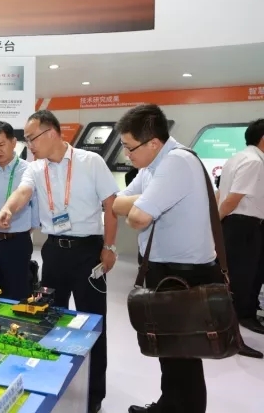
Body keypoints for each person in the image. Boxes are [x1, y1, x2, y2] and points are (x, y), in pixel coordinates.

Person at [0, 110, 118, 413]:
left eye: (31, 138)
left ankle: (94, 394)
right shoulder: (36, 168)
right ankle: (54, 381)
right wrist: (8, 208)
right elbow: (22, 192)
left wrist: (110, 246)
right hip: (54, 252)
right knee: (49, 318)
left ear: (51, 133)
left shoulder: (91, 162)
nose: (29, 145)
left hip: (89, 252)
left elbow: (110, 204)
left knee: (93, 322)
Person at [111, 104, 222, 413]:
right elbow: (118, 204)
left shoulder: (177, 163)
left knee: (184, 355)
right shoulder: (152, 165)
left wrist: (140, 206)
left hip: (183, 274)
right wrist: (143, 203)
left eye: (130, 147)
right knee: (169, 351)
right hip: (164, 270)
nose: (126, 155)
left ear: (153, 142)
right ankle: (169, 405)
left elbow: (137, 217)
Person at [0, 121, 39, 300]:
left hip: (16, 243)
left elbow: (35, 207)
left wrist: (21, 231)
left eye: (1, 144)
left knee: (17, 296)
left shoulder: (29, 171)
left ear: (13, 142)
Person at [217, 118, 264, 355]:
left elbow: (221, 194)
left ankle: (241, 322)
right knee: (240, 279)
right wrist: (215, 223)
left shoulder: (238, 158)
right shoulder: (254, 162)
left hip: (240, 225)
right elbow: (232, 199)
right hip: (242, 225)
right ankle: (232, 338)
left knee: (244, 277)